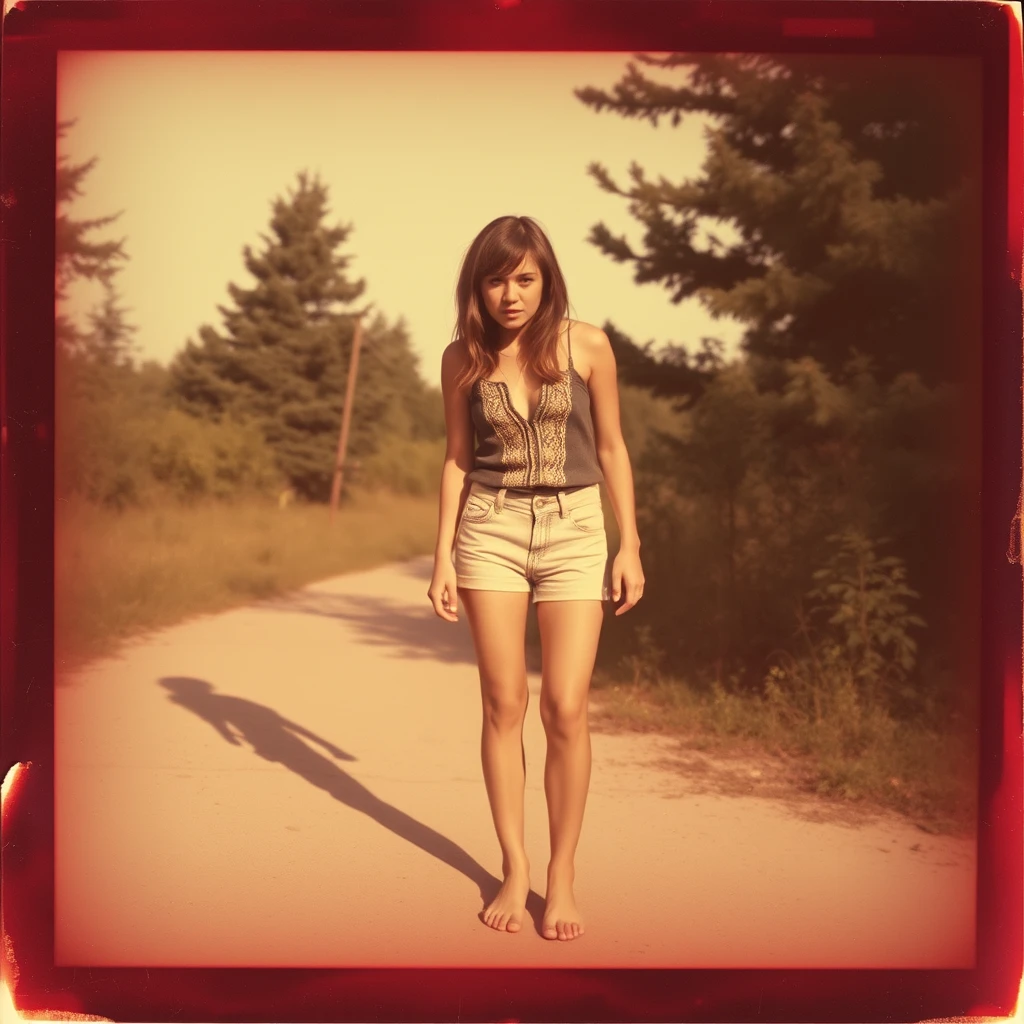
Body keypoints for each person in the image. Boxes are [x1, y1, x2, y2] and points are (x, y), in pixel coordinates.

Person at [427, 215, 644, 942]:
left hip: (576, 530)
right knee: (502, 701)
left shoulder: (587, 346)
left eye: (523, 278)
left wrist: (630, 544)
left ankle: (564, 874)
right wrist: (442, 557)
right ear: (478, 286)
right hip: (489, 529)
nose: (510, 295)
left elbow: (611, 447)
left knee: (567, 706)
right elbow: (458, 457)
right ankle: (515, 867)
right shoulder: (461, 357)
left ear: (545, 278)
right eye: (496, 280)